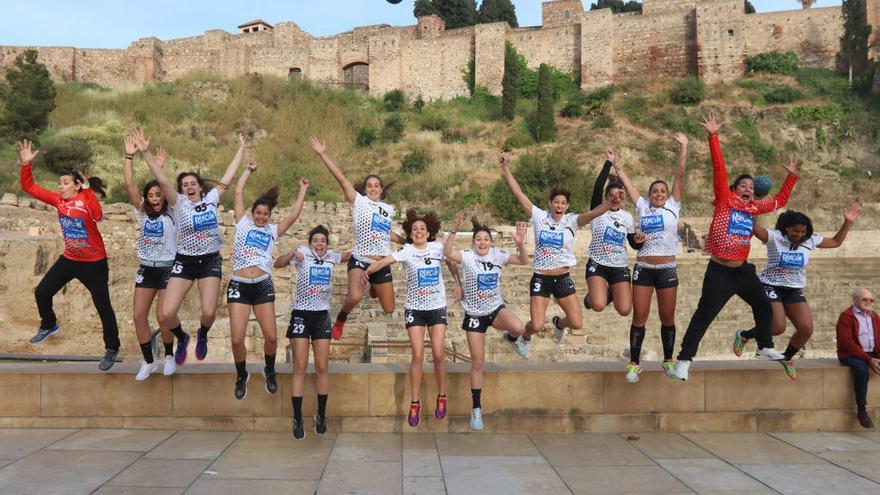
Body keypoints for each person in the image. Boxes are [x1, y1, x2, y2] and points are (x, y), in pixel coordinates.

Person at [673, 112, 799, 381]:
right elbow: (718, 168)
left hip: (742, 271)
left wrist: (792, 177)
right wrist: (713, 136)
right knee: (704, 315)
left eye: (751, 187)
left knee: (764, 306)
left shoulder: (754, 207)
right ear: (734, 188)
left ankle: (764, 346)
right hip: (719, 272)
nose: (748, 189)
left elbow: (779, 200)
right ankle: (684, 359)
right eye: (743, 185)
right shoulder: (724, 200)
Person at [132, 128, 245, 364]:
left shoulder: (212, 200)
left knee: (208, 312)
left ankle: (202, 335)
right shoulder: (178, 203)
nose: (189, 186)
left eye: (193, 183)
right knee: (166, 313)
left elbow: (228, 178)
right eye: (185, 184)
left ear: (200, 187)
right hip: (185, 261)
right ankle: (182, 338)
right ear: (181, 189)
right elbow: (161, 179)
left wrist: (241, 150)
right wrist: (145, 153)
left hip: (210, 261)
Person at [18, 140, 120, 371]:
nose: (60, 187)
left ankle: (112, 348)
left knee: (103, 306)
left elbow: (98, 216)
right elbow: (30, 188)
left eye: (65, 183)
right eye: (59, 183)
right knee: (42, 292)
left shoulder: (85, 200)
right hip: (70, 259)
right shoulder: (58, 201)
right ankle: (49, 324)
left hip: (94, 263)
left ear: (76, 185)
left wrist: (88, 191)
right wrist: (26, 165)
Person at [735, 205, 860, 380]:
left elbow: (836, 242)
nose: (799, 235)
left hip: (793, 289)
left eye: (803, 232)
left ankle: (787, 358)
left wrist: (848, 222)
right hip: (771, 285)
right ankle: (744, 335)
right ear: (787, 228)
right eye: (796, 231)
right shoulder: (775, 237)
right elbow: (755, 229)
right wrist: (757, 207)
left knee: (806, 328)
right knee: (778, 327)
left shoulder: (810, 240)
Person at [499, 153, 611, 347]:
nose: (559, 206)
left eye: (563, 203)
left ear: (567, 206)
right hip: (541, 278)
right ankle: (521, 337)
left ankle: (559, 323)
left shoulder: (572, 221)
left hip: (562, 279)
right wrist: (506, 169)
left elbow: (593, 213)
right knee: (535, 325)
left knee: (576, 323)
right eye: (556, 202)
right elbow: (519, 195)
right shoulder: (539, 217)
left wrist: (611, 203)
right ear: (550, 203)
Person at [364, 209, 461, 428]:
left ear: (429, 232)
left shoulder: (438, 248)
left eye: (422, 229)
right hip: (415, 309)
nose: (418, 232)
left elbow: (451, 262)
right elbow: (383, 261)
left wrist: (457, 282)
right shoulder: (406, 250)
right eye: (415, 229)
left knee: (437, 353)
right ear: (411, 232)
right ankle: (415, 402)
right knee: (417, 356)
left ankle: (442, 396)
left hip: (437, 307)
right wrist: (367, 272)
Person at [308, 136, 404, 340]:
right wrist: (323, 154)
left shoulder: (388, 209)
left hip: (381, 262)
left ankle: (375, 288)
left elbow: (385, 232)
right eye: (369, 185)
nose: (373, 188)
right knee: (355, 296)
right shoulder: (358, 202)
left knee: (389, 308)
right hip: (360, 259)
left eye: (377, 185)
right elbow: (341, 179)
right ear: (364, 188)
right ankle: (341, 318)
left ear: (382, 189)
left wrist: (404, 241)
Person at [228, 164, 308, 400]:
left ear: (270, 216)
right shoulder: (242, 223)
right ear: (253, 213)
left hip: (262, 285)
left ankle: (269, 370)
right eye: (259, 213)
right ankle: (241, 374)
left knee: (272, 337)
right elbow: (238, 192)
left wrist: (302, 190)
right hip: (239, 285)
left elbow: (293, 215)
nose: (262, 217)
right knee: (236, 338)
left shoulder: (272, 231)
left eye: (266, 214)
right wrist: (249, 171)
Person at [612, 135, 688, 383]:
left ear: (668, 195)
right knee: (639, 317)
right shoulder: (642, 206)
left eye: (662, 191)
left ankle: (668, 360)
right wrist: (616, 164)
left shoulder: (673, 206)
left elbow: (679, 176)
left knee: (667, 317)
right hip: (644, 268)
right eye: (654, 191)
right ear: (649, 194)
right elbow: (626, 181)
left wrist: (683, 148)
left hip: (667, 268)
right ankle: (634, 364)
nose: (658, 194)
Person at [444, 213, 530, 430]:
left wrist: (520, 245)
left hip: (494, 309)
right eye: (478, 239)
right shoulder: (467, 256)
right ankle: (476, 408)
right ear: (473, 242)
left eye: (485, 239)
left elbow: (523, 260)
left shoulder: (497, 255)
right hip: (474, 315)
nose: (482, 242)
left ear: (491, 242)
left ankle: (511, 338)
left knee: (520, 327)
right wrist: (454, 230)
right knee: (478, 362)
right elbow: (447, 253)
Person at [274, 226, 350, 439]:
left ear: (327, 243)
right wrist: (291, 254)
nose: (319, 244)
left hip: (322, 316)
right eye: (315, 240)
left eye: (322, 241)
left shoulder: (331, 257)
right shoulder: (302, 254)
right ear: (310, 242)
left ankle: (321, 414)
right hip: (301, 314)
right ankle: (297, 417)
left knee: (322, 366)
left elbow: (350, 255)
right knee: (299, 367)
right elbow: (277, 263)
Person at [122, 137, 178, 380]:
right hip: (147, 269)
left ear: (164, 197)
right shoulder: (143, 212)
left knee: (163, 315)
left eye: (158, 195)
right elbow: (129, 183)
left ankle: (169, 355)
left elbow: (164, 185)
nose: (155, 199)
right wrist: (129, 156)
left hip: (168, 270)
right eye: (151, 195)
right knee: (138, 316)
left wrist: (159, 168)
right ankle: (148, 361)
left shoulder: (174, 213)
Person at [836, 288, 880, 428]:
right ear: (854, 300)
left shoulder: (874, 316)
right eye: (864, 299)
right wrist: (868, 359)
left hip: (872, 353)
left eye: (871, 300)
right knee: (861, 370)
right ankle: (861, 410)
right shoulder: (846, 316)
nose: (868, 302)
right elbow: (846, 342)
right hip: (851, 354)